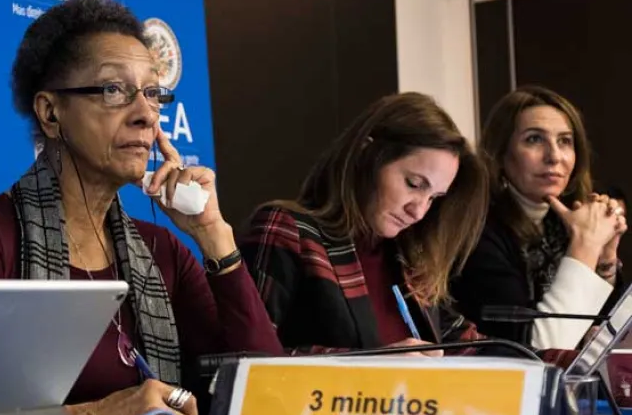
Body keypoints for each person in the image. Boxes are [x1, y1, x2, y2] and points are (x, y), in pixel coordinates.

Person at [0, 0, 282, 415]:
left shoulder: (163, 250)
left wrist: (214, 237)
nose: (145, 115)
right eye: (114, 90)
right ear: (51, 113)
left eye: (152, 93)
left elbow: (264, 395)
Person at [239, 93, 489, 352]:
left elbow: (464, 341)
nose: (419, 211)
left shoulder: (406, 255)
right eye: (414, 184)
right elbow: (250, 359)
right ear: (366, 154)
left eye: (434, 198)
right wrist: (372, 368)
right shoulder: (287, 230)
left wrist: (528, 360)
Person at [451, 86, 625, 351]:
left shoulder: (564, 219)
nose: (554, 156)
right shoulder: (475, 228)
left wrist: (605, 261)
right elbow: (537, 348)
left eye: (565, 141)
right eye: (534, 139)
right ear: (501, 153)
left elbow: (608, 336)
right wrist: (586, 244)